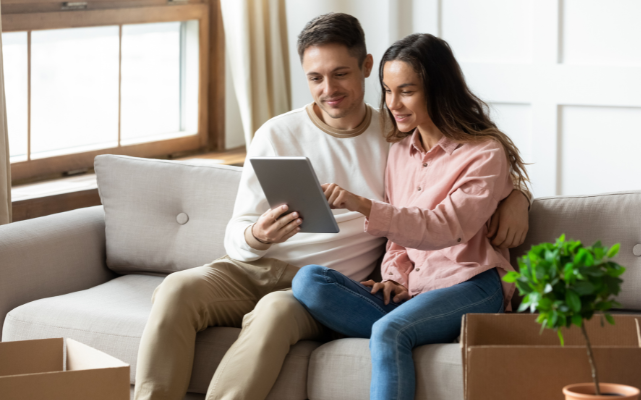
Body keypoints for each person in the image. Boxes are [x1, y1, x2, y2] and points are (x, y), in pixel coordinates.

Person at [133, 14, 531, 400]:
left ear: (365, 67)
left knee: (279, 310)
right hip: (254, 267)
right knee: (177, 287)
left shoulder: (391, 135)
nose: (328, 89)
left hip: (322, 282)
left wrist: (517, 196)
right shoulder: (283, 133)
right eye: (315, 78)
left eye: (340, 73)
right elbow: (240, 228)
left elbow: (460, 188)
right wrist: (256, 236)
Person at [292, 33, 529, 400]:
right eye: (387, 91)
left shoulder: (484, 153)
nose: (393, 104)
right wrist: (394, 277)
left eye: (406, 91)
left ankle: (410, 328)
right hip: (415, 293)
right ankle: (423, 326)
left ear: (437, 89)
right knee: (309, 281)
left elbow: (447, 227)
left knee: (390, 332)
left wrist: (364, 205)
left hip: (472, 284)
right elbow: (398, 238)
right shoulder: (400, 151)